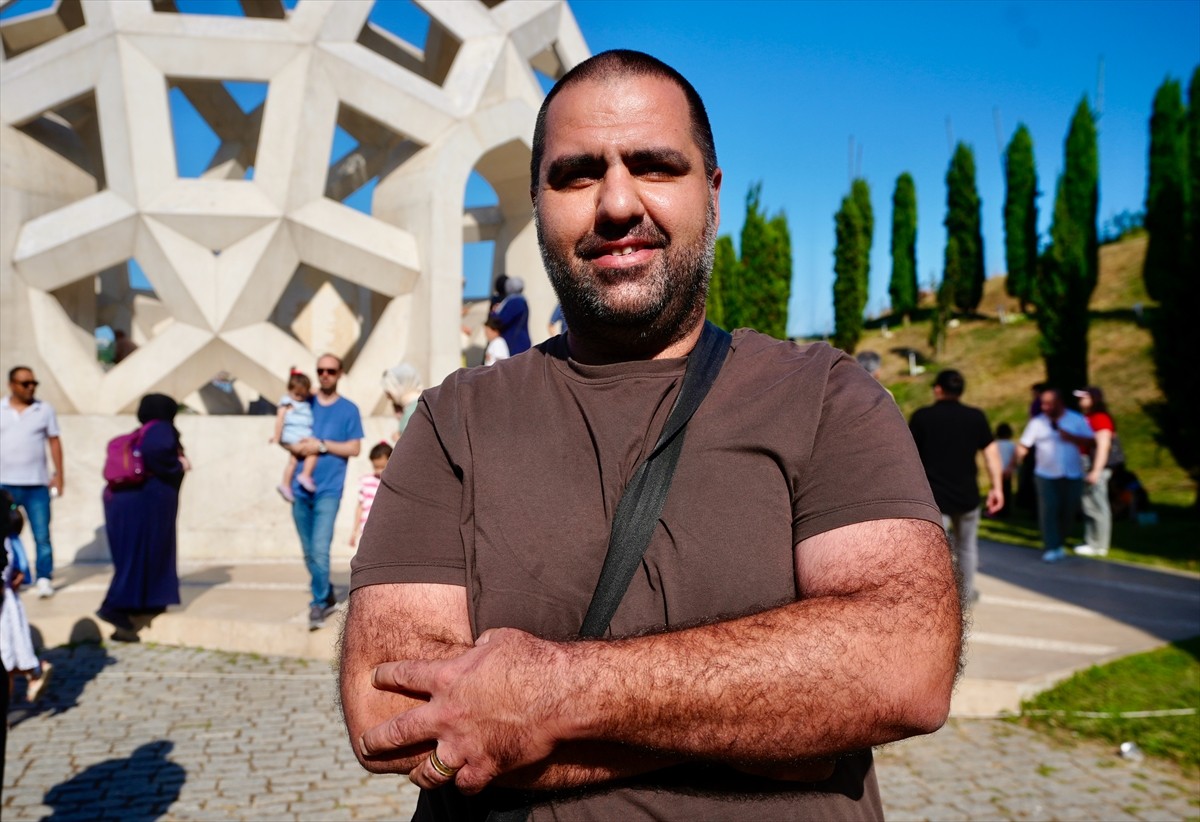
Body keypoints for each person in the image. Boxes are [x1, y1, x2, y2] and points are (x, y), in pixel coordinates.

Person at [340, 50, 958, 821]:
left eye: (656, 166)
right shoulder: (452, 419)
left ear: (714, 192)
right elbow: (388, 713)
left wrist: (548, 695)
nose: (617, 204)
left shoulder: (826, 396)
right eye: (576, 174)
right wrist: (785, 729)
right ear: (536, 202)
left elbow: (901, 663)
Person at [97, 394, 190, 638]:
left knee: (137, 552)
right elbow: (157, 451)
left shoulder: (145, 430)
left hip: (127, 501)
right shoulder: (160, 429)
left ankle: (145, 602)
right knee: (140, 553)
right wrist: (178, 465)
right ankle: (114, 606)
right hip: (145, 503)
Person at [908, 370, 1004, 604]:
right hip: (967, 495)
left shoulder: (922, 417)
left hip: (934, 497)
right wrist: (997, 488)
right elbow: (991, 454)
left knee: (933, 551)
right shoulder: (976, 417)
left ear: (938, 389)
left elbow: (908, 455)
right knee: (967, 548)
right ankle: (965, 595)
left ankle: (932, 597)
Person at [290, 354, 363, 630]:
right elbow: (288, 434)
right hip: (299, 487)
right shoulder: (304, 402)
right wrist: (296, 447)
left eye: (330, 371)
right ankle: (326, 591)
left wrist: (322, 445)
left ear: (340, 373)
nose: (324, 375)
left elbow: (354, 448)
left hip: (328, 490)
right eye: (320, 370)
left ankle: (319, 602)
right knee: (309, 552)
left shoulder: (349, 409)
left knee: (320, 549)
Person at [0, 366, 64, 599]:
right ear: (12, 385)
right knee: (3, 534)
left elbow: (54, 442)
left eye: (33, 383)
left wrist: (59, 475)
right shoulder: (1, 409)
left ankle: (44, 577)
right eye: (25, 383)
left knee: (41, 534)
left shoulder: (44, 410)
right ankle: (6, 574)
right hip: (4, 485)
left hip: (36, 485)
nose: (30, 387)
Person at [1016, 388, 1094, 563]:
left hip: (1072, 473)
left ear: (1059, 403)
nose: (1044, 407)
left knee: (1068, 510)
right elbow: (1024, 444)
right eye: (1043, 403)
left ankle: (1059, 542)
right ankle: (1051, 546)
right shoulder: (1037, 423)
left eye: (1048, 404)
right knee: (1049, 509)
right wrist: (1015, 462)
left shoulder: (1076, 419)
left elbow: (1092, 441)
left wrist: (1073, 438)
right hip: (1045, 474)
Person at [2, 493, 53, 703]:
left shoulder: (6, 541)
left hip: (5, 605)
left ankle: (34, 671)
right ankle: (35, 671)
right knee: (9, 655)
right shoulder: (11, 539)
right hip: (8, 604)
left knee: (6, 659)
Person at [1074, 387, 1118, 557]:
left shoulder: (1100, 418)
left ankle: (1099, 544)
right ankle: (1091, 540)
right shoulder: (1088, 418)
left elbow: (1103, 445)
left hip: (1094, 466)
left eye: (1084, 397)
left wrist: (1096, 470)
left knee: (1097, 505)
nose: (1080, 401)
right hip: (1086, 464)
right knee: (1088, 504)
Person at [271, 371, 318, 502]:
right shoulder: (288, 403)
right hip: (293, 437)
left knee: (292, 461)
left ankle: (285, 484)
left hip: (299, 436)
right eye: (297, 394)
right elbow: (280, 420)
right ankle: (305, 474)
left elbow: (315, 391)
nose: (300, 397)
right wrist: (276, 436)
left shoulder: (304, 400)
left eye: (303, 394)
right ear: (289, 390)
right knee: (313, 452)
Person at [349, 442, 393, 550]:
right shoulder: (365, 481)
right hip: (367, 529)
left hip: (386, 529)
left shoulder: (393, 484)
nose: (378, 471)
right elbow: (360, 507)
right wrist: (355, 530)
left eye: (382, 467)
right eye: (375, 466)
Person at [490, 275, 532, 355]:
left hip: (515, 343)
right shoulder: (520, 299)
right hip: (518, 342)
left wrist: (494, 312)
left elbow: (502, 320)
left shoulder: (515, 301)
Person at [381, 363, 423, 440]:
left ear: (398, 387)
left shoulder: (415, 409)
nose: (388, 397)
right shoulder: (419, 404)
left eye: (389, 392)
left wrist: (400, 438)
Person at [994, 422, 1017, 518]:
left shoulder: (995, 444)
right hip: (1007, 472)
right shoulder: (1012, 445)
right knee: (1007, 492)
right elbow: (1015, 458)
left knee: (996, 491)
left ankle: (996, 510)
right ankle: (1006, 512)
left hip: (997, 472)